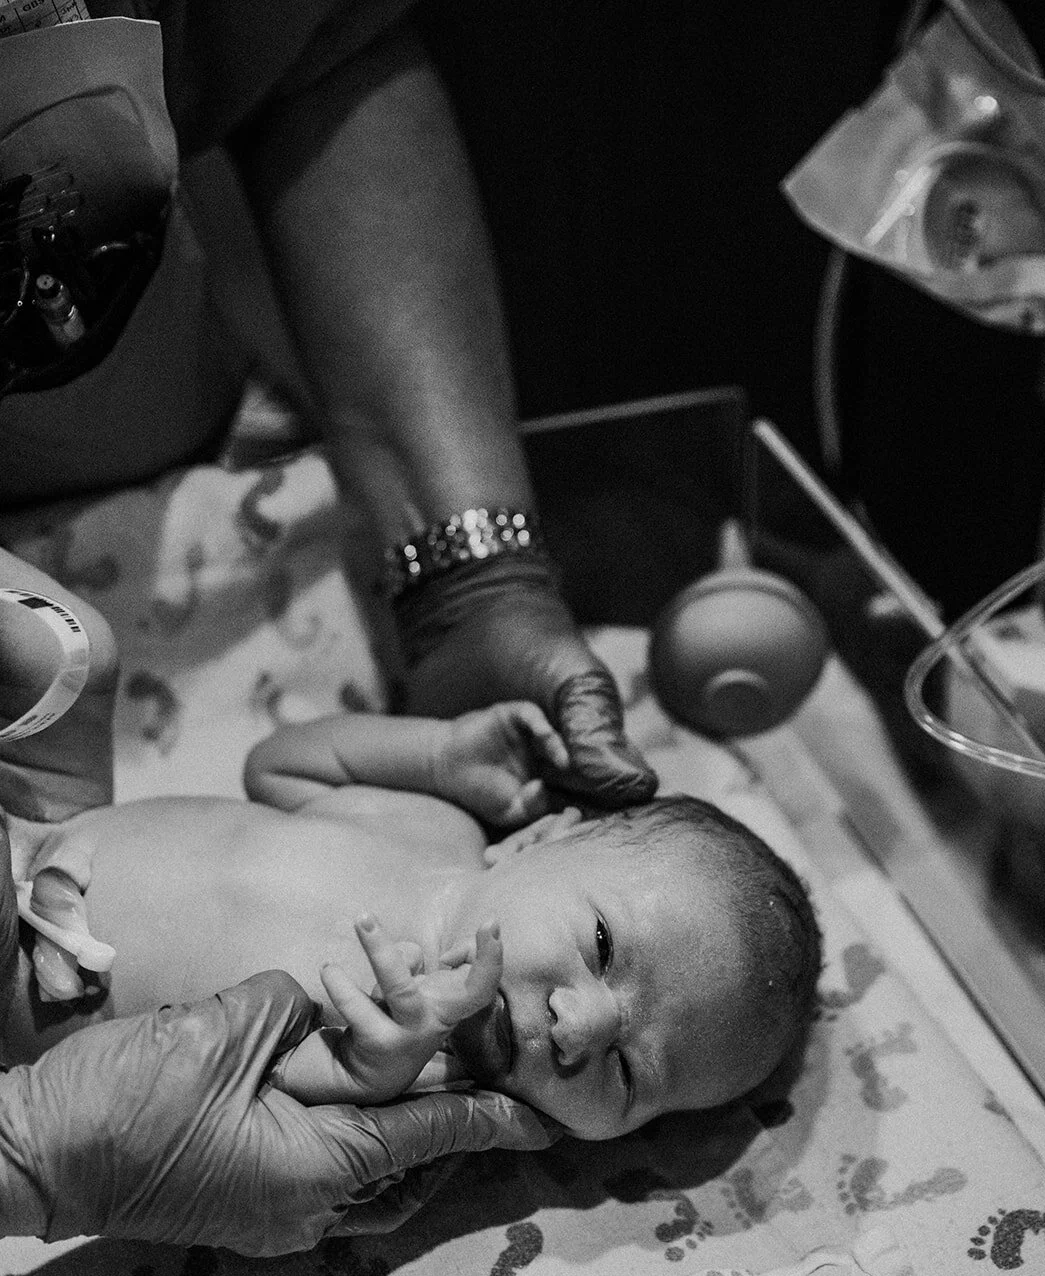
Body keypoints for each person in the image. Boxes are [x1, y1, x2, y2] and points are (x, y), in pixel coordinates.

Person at [0, 0, 656, 812]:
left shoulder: (419, 842)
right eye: (594, 938)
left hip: (124, 506)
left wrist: (475, 583)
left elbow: (315, 51)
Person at [1, 578, 820, 1143]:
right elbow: (276, 768)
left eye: (628, 1073)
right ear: (540, 840)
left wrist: (361, 1067)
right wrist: (432, 757)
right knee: (66, 641)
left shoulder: (425, 1077)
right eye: (601, 947)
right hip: (49, 821)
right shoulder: (432, 826)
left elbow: (232, 1108)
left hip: (21, 986)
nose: (581, 1027)